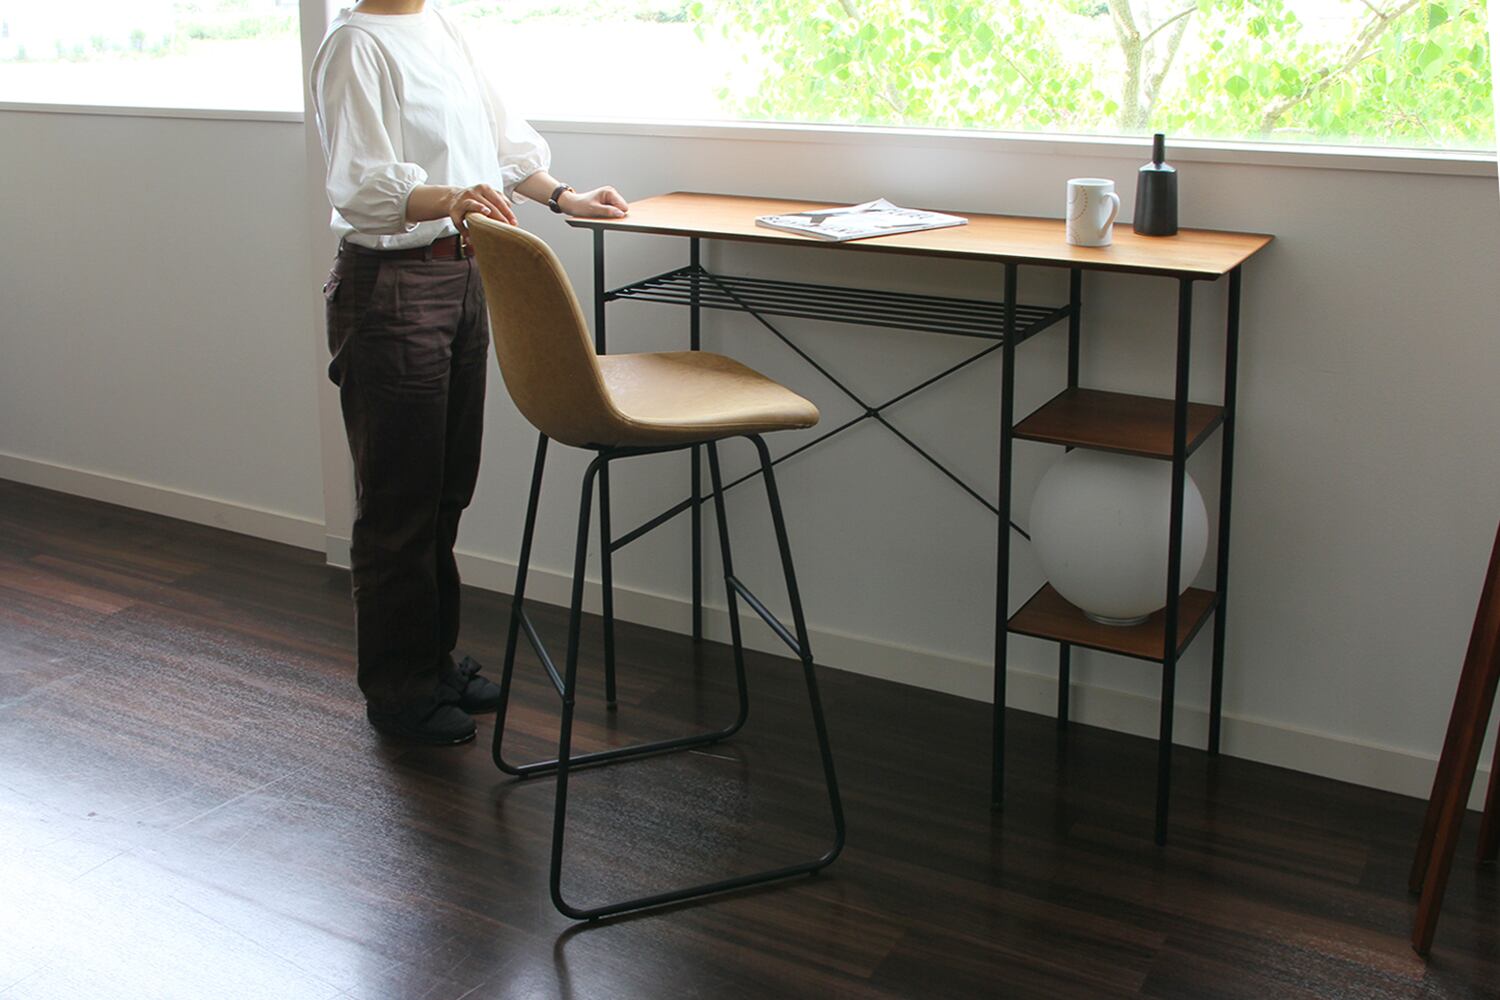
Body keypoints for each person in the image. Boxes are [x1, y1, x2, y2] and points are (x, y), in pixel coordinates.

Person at [311, 0, 628, 745]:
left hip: (465, 275)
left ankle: (433, 664)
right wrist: (450, 198)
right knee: (399, 502)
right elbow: (361, 184)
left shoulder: (444, 28)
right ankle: (399, 693)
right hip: (393, 286)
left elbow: (499, 143)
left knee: (446, 488)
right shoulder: (355, 44)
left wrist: (564, 197)